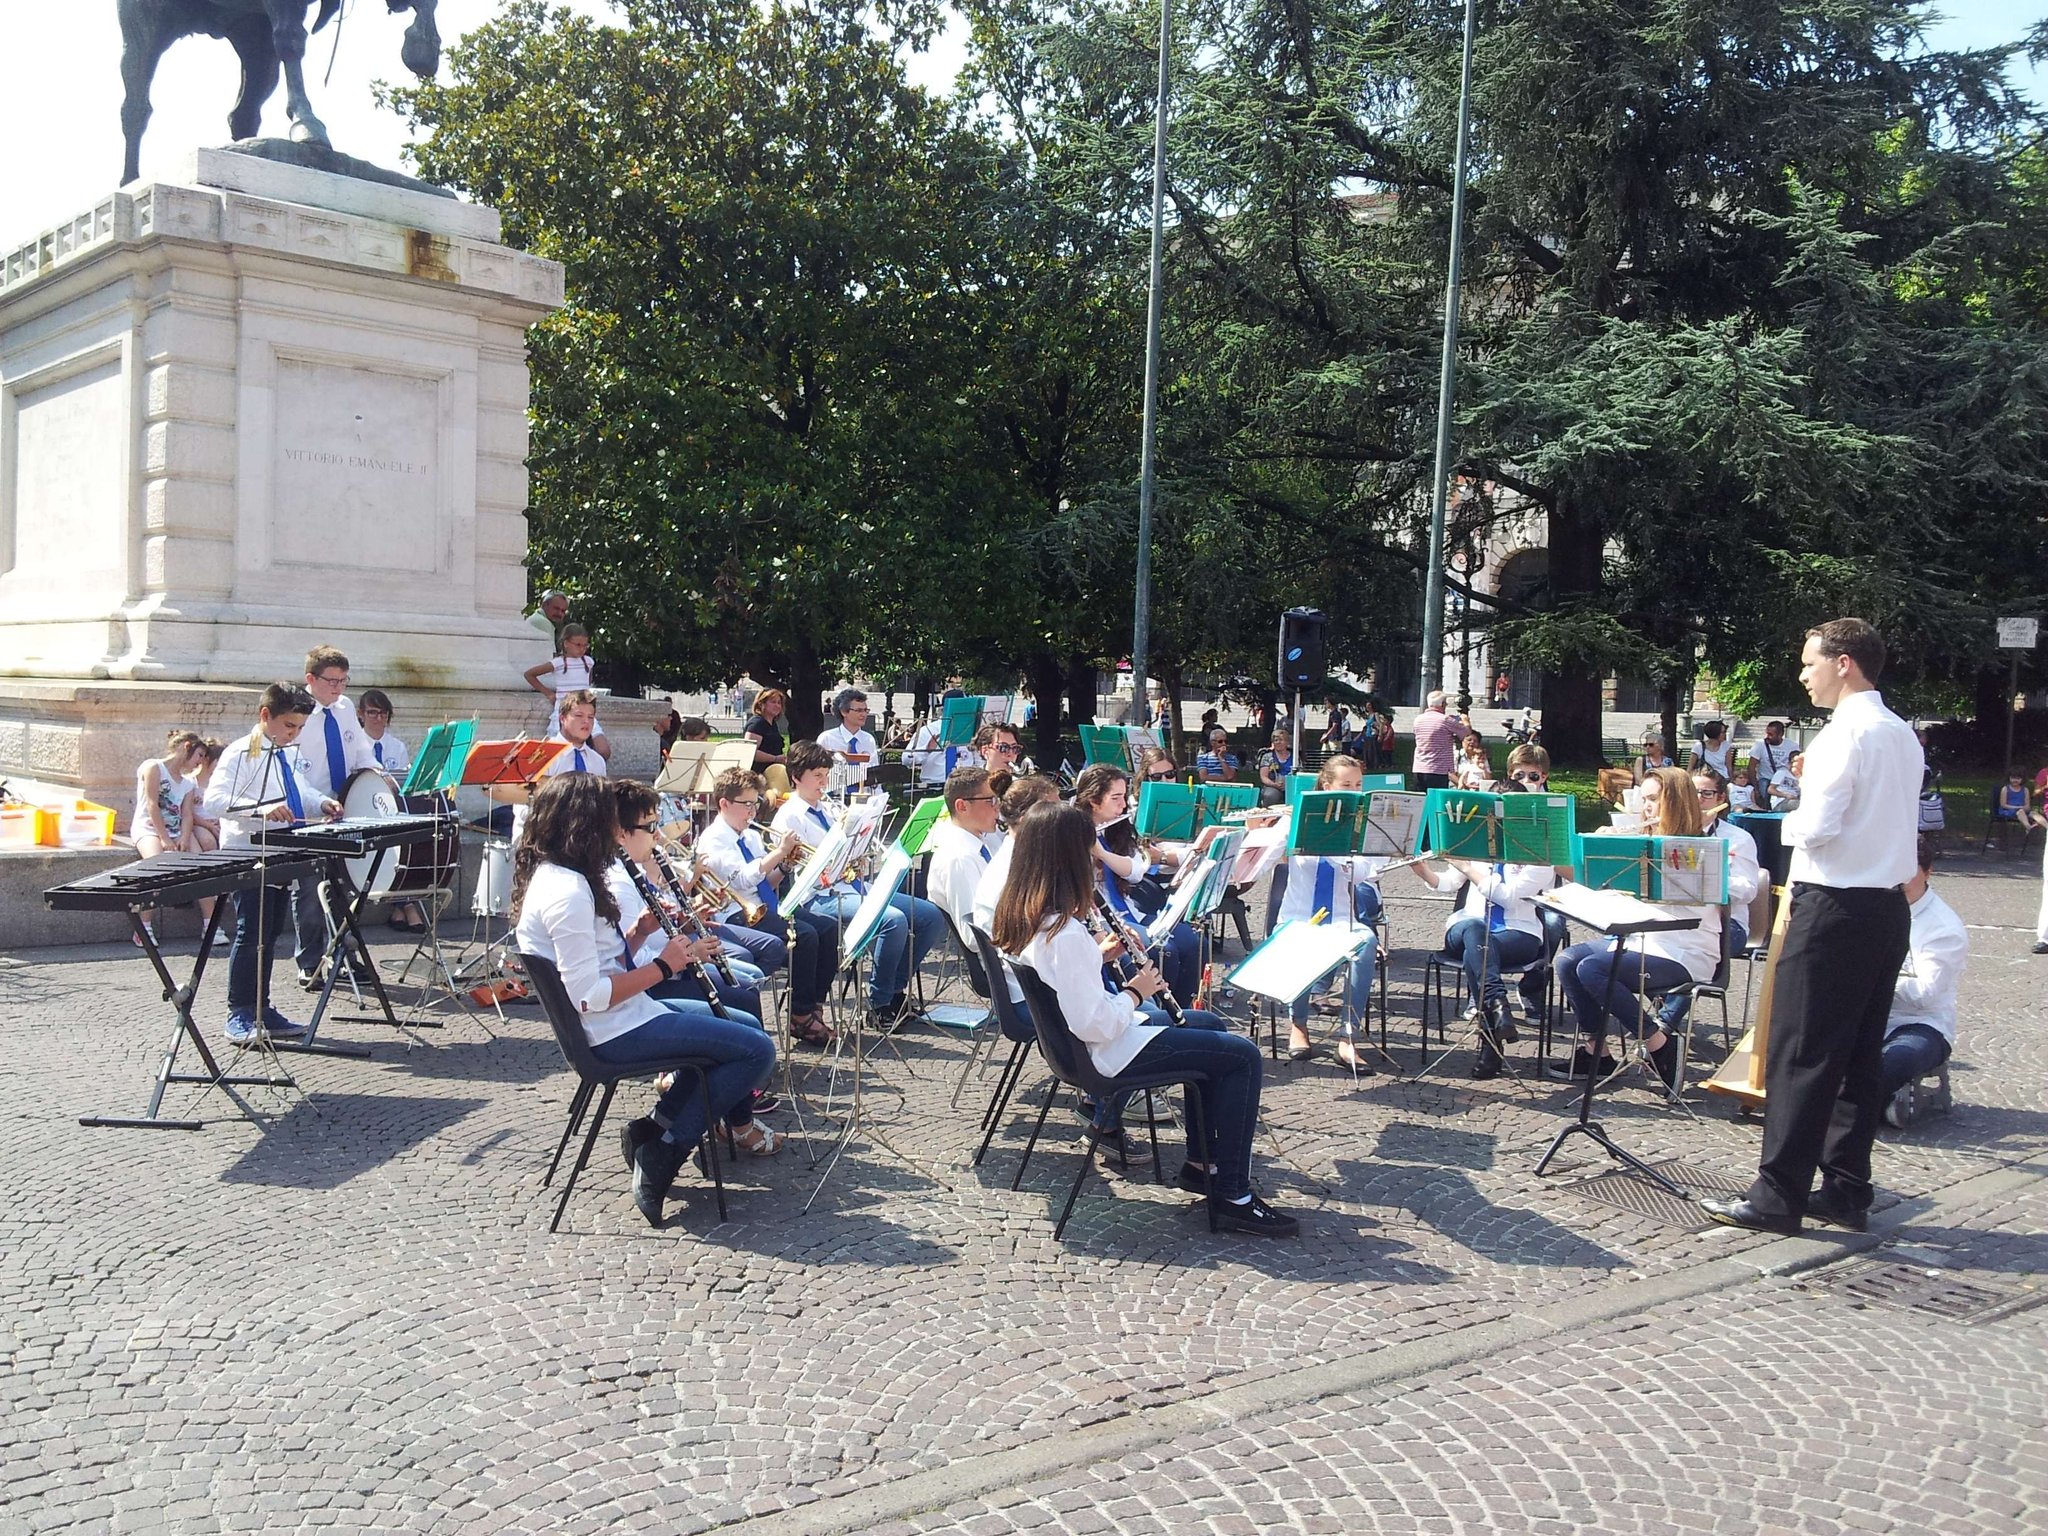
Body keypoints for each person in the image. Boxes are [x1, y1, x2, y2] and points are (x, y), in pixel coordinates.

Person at [1702, 618, 1921, 1236]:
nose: (1803, 675)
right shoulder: (1901, 732)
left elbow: (1818, 828)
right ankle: (1846, 1188)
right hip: (1885, 907)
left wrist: (1786, 819)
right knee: (1858, 1054)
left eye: (1809, 663)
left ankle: (1778, 1196)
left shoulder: (1842, 734)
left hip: (1834, 905)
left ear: (1843, 662)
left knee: (1799, 1053)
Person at [991, 801, 1299, 1237]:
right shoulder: (1065, 934)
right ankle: (1233, 1194)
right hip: (1104, 1053)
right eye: (1089, 853)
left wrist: (1101, 957)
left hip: (1080, 1049)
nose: (1094, 865)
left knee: (1208, 1026)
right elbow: (1094, 1023)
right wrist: (1138, 991)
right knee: (1242, 1056)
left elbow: (1066, 984)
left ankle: (1202, 1165)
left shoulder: (1030, 916)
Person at [512, 773, 777, 1225]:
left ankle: (652, 1127)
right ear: (585, 825)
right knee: (757, 1050)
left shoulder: (565, 876)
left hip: (626, 1014)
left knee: (746, 1027)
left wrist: (638, 933)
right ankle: (666, 1149)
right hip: (611, 1032)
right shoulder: (568, 893)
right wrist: (666, 966)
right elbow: (589, 997)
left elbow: (604, 964)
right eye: (608, 821)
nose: (616, 832)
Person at [605, 780, 781, 1136]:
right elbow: (629, 962)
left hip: (664, 969)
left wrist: (685, 923)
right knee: (742, 999)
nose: (658, 835)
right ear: (621, 834)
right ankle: (737, 1116)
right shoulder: (620, 883)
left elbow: (646, 935)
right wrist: (685, 954)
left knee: (744, 988)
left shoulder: (632, 872)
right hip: (650, 989)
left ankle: (731, 1097)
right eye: (650, 827)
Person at [1549, 767, 1724, 1090]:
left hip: (1684, 950)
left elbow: (1692, 904)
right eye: (1643, 800)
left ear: (1675, 802)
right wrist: (1602, 852)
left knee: (1593, 969)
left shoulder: (1700, 849)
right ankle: (1597, 1052)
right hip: (1642, 940)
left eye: (1653, 800)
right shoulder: (1642, 843)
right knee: (1567, 961)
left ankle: (1659, 1043)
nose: (1646, 808)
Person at [202, 682, 343, 1046]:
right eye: (289, 726)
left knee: (270, 934)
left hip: (281, 852)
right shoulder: (240, 752)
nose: (294, 734)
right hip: (248, 854)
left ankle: (261, 1008)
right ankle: (239, 1012)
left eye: (299, 728)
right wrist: (260, 809)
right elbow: (213, 800)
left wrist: (321, 802)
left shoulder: (284, 751)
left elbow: (299, 789)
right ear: (265, 715)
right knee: (251, 933)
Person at [773, 742, 944, 1030]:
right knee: (893, 921)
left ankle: (893, 990)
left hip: (855, 885)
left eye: (826, 775)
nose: (824, 782)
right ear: (796, 777)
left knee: (930, 915)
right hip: (820, 895)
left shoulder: (829, 808)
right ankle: (879, 1003)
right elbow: (800, 868)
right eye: (817, 776)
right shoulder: (789, 816)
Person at [1410, 791, 1559, 1080]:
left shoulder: (1538, 856)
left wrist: (1470, 869)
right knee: (1476, 930)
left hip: (1518, 932)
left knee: (1478, 950)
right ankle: (1497, 1002)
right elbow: (1449, 882)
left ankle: (1491, 1037)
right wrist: (1424, 872)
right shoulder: (1475, 844)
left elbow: (1510, 898)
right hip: (1468, 928)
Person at [697, 767, 836, 1047]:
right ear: (724, 803)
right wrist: (779, 852)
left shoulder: (750, 836)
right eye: (746, 804)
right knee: (805, 936)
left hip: (764, 905)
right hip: (734, 914)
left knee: (829, 929)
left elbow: (766, 883)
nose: (752, 811)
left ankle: (814, 1006)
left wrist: (785, 866)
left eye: (755, 803)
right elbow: (743, 878)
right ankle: (800, 1015)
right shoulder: (713, 839)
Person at [1274, 755, 1382, 1070]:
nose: (1354, 792)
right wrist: (1263, 832)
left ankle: (1348, 1038)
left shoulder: (1362, 825)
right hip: (1297, 917)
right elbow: (1260, 861)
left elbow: (1363, 872)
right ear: (1326, 786)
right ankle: (1298, 1024)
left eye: (1358, 785)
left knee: (1367, 941)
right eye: (1346, 785)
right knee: (1296, 941)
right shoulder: (1297, 818)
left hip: (1340, 921)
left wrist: (1331, 842)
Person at [1074, 763, 1201, 1007]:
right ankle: (1161, 1013)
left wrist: (1101, 853)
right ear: (1093, 801)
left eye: (1124, 796)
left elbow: (1135, 871)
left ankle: (1186, 1010)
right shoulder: (1073, 830)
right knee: (1165, 950)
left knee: (1191, 940)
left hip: (1129, 910)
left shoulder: (1117, 828)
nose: (1123, 804)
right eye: (1116, 798)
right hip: (1100, 919)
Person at [1880, 836, 1968, 1128]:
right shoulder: (1877, 908)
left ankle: (1861, 1104)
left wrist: (1873, 982)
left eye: (1908, 871)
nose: (1899, 880)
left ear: (1928, 871)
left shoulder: (1943, 927)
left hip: (1920, 1024)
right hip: (1869, 1016)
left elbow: (1926, 994)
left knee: (1895, 1060)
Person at [131, 730, 213, 942]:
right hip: (149, 828)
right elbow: (152, 804)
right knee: (156, 866)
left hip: (177, 830)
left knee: (202, 867)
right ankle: (143, 928)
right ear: (186, 747)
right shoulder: (153, 767)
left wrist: (184, 837)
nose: (200, 762)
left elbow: (187, 814)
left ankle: (211, 925)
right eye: (199, 755)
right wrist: (164, 838)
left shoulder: (188, 783)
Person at [357, 689, 428, 933]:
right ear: (361, 714)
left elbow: (404, 783)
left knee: (408, 846)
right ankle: (407, 906)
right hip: (365, 809)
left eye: (383, 713)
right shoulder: (355, 744)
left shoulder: (396, 746)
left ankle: (400, 908)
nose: (378, 718)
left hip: (392, 810)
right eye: (372, 713)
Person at [926, 765, 1004, 940]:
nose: (998, 807)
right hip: (999, 951)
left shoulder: (981, 842)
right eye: (990, 801)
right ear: (962, 806)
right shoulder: (959, 858)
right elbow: (974, 936)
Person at [522, 623, 612, 762]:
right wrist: (548, 693)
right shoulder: (558, 663)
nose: (582, 649)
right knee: (556, 752)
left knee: (603, 750)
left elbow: (586, 683)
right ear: (566, 644)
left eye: (585, 646)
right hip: (566, 711)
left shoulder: (588, 662)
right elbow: (530, 674)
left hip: (584, 710)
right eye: (578, 645)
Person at [817, 688, 879, 794]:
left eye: (865, 710)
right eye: (858, 710)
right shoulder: (827, 738)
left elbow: (875, 775)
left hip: (863, 797)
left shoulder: (869, 740)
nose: (863, 714)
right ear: (844, 712)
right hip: (834, 797)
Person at [741, 689, 791, 794]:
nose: (777, 706)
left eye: (779, 703)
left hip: (772, 774)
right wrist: (775, 758)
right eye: (773, 702)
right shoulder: (757, 724)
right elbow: (750, 752)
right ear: (761, 704)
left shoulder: (773, 724)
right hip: (759, 776)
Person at [1411, 690, 1459, 790]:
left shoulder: (1418, 719)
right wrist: (1465, 720)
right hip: (1438, 768)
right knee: (1436, 797)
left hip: (1419, 766)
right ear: (1442, 704)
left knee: (1420, 796)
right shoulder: (1445, 720)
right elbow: (1466, 733)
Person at [1255, 730, 1294, 807]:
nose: (1278, 742)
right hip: (1273, 786)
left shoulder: (1295, 757)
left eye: (1281, 740)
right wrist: (1274, 784)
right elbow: (1264, 777)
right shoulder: (1267, 757)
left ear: (1287, 742)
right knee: (1270, 795)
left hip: (1291, 787)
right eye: (1276, 740)